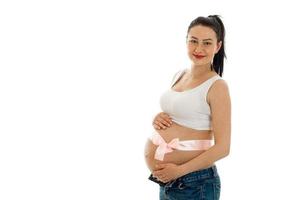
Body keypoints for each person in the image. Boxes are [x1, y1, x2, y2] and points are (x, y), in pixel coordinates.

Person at [144, 15, 231, 199]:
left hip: (194, 183)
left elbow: (223, 147)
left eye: (207, 43)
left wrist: (180, 170)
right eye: (193, 41)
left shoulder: (217, 86)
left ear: (217, 46)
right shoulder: (179, 75)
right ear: (186, 41)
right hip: (168, 181)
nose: (199, 48)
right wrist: (159, 117)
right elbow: (181, 115)